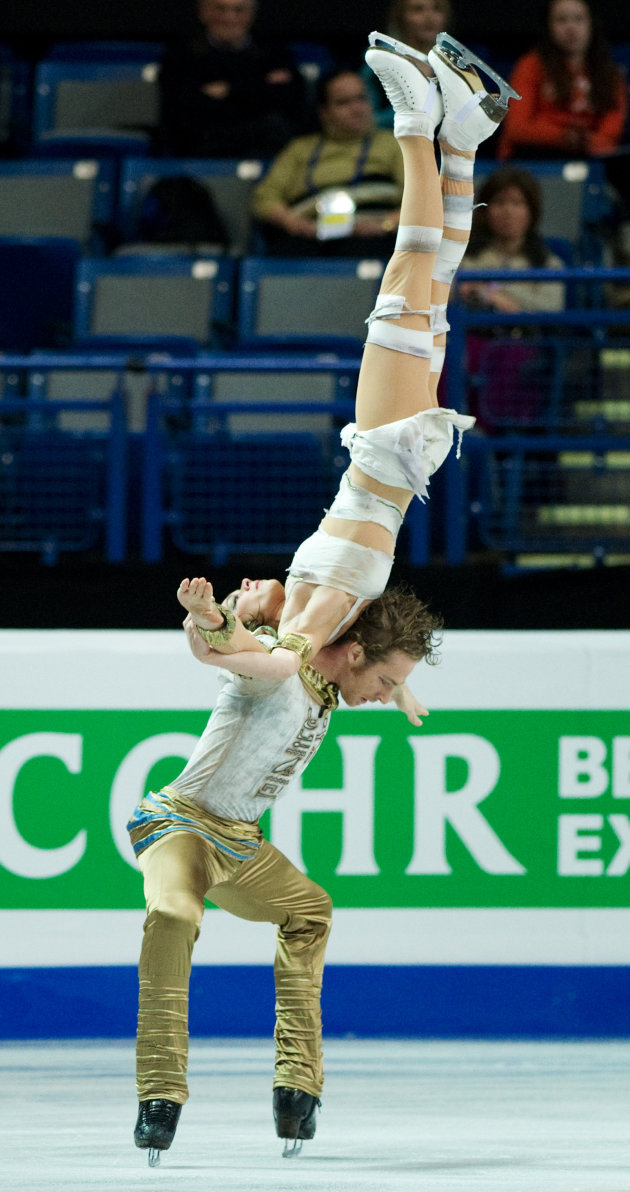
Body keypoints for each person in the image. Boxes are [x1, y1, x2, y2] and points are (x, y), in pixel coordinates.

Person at [228, 29, 520, 686]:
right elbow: (279, 667)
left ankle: (465, 135)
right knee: (411, 266)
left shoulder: (311, 606)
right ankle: (415, 118)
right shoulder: (312, 622)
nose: (239, 594)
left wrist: (397, 692)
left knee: (436, 271)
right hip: (388, 451)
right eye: (238, 607)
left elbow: (300, 653)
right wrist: (213, 630)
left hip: (399, 457)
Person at [130, 582, 443, 1162]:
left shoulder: (328, 682)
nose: (382, 695)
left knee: (309, 911)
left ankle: (297, 1088)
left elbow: (355, 645)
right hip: (180, 827)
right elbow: (236, 642)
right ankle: (160, 1095)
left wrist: (399, 689)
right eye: (384, 683)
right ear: (354, 654)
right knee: (174, 913)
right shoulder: (279, 665)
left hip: (241, 845)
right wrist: (212, 617)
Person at [251, 68, 404, 257]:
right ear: (324, 112)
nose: (357, 108)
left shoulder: (395, 144)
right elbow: (264, 198)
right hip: (310, 238)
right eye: (344, 102)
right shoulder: (299, 149)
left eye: (361, 98)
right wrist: (295, 224)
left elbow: (423, 199)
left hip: (376, 237)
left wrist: (386, 224)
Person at [158, 0, 306, 158]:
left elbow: (290, 99)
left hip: (267, 148)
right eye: (220, 9)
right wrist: (259, 89)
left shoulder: (273, 51)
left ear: (252, 14)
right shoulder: (182, 54)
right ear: (203, 12)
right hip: (204, 149)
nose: (229, 18)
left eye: (239, 10)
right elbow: (185, 112)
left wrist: (230, 90)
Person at [498, 0, 627, 161]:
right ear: (548, 26)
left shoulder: (608, 71)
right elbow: (517, 128)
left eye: (579, 19)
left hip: (588, 156)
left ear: (592, 24)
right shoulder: (530, 65)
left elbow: (612, 128)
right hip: (536, 156)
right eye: (561, 20)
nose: (570, 28)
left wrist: (587, 141)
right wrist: (565, 137)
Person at [459, 166, 566, 315]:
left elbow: (551, 309)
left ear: (532, 212)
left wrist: (494, 294)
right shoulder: (464, 260)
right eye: (499, 202)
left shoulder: (548, 264)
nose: (508, 212)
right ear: (484, 210)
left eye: (517, 203)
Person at [362, 0, 453, 129]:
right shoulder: (379, 60)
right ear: (400, 18)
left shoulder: (456, 61)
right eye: (418, 10)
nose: (429, 17)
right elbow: (369, 118)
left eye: (437, 9)